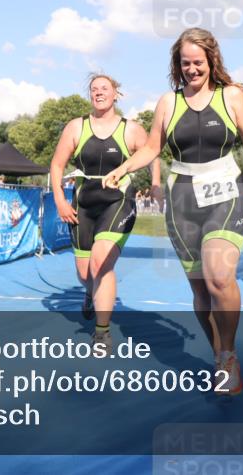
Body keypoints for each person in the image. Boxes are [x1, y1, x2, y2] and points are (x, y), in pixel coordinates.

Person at [104, 28, 243, 395]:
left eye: (198, 62)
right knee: (200, 294)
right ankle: (217, 355)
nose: (192, 69)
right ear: (177, 66)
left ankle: (229, 355)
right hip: (182, 201)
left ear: (212, 61)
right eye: (185, 63)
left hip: (226, 192)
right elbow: (151, 148)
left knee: (219, 278)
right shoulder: (168, 102)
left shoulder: (232, 96)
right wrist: (122, 168)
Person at [51, 74, 160, 348]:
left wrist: (156, 185)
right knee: (86, 272)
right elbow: (56, 165)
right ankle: (91, 293)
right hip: (83, 203)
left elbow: (151, 155)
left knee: (101, 262)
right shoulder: (76, 127)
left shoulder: (132, 129)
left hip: (117, 201)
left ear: (115, 94)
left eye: (104, 88)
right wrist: (60, 201)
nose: (99, 93)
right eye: (94, 89)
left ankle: (102, 332)